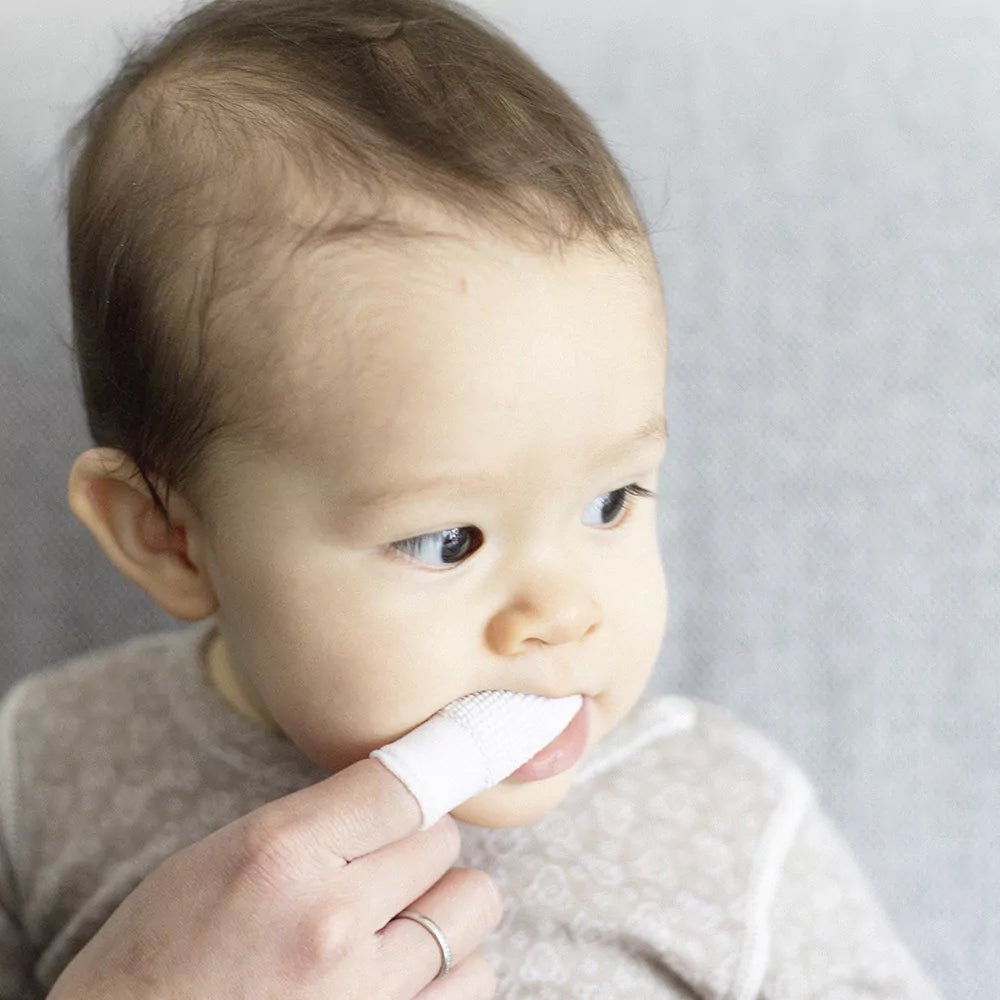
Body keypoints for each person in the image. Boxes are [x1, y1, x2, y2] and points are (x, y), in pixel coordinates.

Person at [0, 0, 942, 996]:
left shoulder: (725, 820)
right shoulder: (45, 770)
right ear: (168, 539)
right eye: (449, 540)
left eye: (610, 501)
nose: (565, 611)